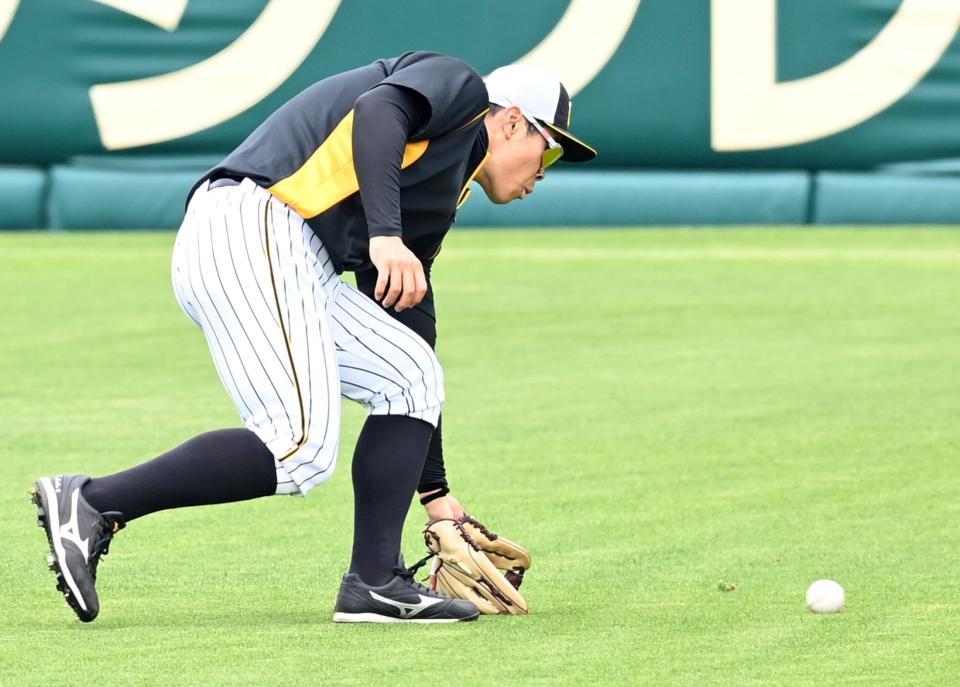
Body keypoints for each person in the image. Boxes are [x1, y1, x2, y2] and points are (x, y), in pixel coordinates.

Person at [31, 52, 597, 624]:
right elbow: (379, 110)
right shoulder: (462, 90)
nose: (546, 170)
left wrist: (436, 494)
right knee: (298, 447)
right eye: (550, 148)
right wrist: (385, 234)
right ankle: (94, 502)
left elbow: (409, 316)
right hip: (253, 224)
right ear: (511, 120)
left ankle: (375, 582)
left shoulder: (445, 186)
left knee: (411, 373)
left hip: (292, 255)